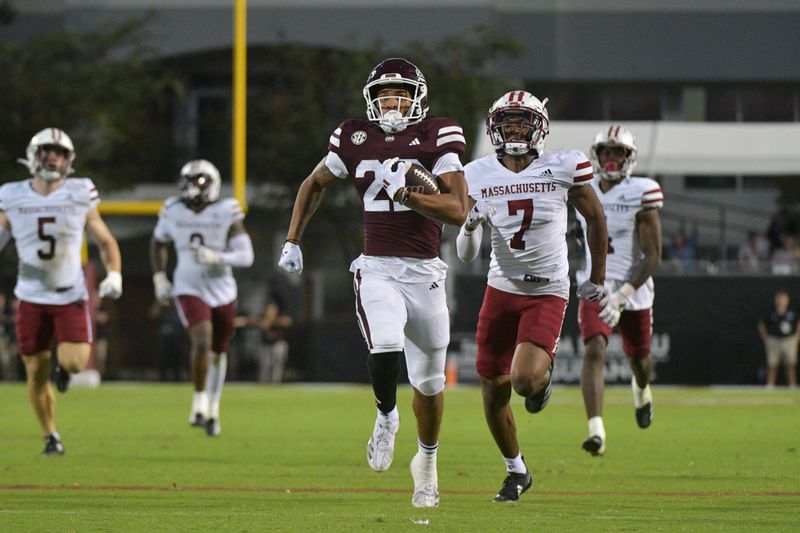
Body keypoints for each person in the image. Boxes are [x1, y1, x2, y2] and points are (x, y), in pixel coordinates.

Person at [277, 57, 469, 508]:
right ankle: (385, 416)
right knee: (385, 343)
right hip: (378, 267)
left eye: (400, 93)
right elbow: (314, 182)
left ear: (417, 97)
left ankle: (426, 465)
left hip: (425, 274)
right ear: (371, 99)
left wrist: (407, 194)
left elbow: (458, 210)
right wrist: (292, 240)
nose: (392, 101)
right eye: (384, 94)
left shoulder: (436, 134)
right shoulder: (354, 137)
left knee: (430, 384)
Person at [456, 91, 608, 502]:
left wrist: (597, 277)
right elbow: (466, 253)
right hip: (499, 287)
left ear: (539, 127)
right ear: (495, 127)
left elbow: (595, 216)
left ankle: (541, 383)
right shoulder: (477, 173)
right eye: (507, 122)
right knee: (492, 387)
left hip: (546, 291)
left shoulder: (564, 165)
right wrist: (470, 226)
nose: (514, 129)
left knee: (523, 380)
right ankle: (516, 470)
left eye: (522, 122)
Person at [0, 127, 123, 455]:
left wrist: (115, 274)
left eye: (59, 152)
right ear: (33, 154)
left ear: (69, 160)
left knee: (73, 362)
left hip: (70, 295)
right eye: (47, 150)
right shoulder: (11, 195)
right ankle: (50, 435)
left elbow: (105, 239)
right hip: (30, 295)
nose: (53, 157)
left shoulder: (80, 191)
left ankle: (63, 371)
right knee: (35, 372)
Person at [574, 125, 663, 457]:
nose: (611, 159)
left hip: (633, 289)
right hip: (595, 283)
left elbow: (653, 255)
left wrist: (624, 293)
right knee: (594, 350)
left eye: (618, 153)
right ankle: (596, 430)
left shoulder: (642, 191)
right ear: (595, 156)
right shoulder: (582, 188)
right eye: (605, 152)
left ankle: (641, 391)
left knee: (639, 360)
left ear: (630, 157)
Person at [150, 159, 254, 437]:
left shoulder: (226, 210)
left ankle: (213, 405)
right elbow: (158, 242)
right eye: (188, 181)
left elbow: (246, 256)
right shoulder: (172, 209)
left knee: (219, 352)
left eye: (198, 181)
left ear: (213, 184)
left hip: (222, 289)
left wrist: (216, 257)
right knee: (201, 338)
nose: (191, 187)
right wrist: (160, 277)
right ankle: (198, 400)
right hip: (188, 285)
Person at [757, 289, 798, 389]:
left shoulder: (792, 312)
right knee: (772, 363)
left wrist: (797, 337)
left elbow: (798, 323)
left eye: (783, 299)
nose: (781, 301)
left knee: (790, 363)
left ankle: (792, 385)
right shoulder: (771, 312)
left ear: (787, 300)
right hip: (774, 340)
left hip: (789, 340)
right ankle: (770, 384)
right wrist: (766, 338)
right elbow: (762, 324)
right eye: (779, 299)